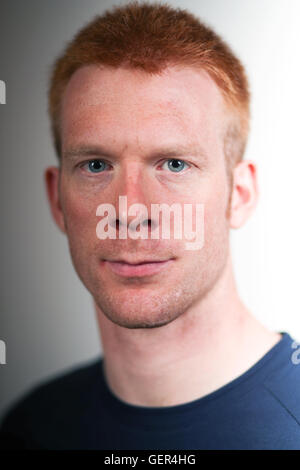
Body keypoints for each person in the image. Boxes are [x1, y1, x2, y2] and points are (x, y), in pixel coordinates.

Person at [1, 1, 300, 450]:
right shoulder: (30, 426)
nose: (130, 210)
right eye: (96, 165)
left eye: (175, 164)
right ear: (57, 199)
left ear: (238, 195)